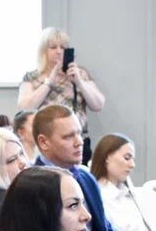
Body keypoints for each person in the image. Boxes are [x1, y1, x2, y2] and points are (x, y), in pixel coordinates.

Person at [17, 27, 105, 161]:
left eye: (63, 47)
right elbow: (25, 107)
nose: (59, 51)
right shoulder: (33, 77)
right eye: (53, 47)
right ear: (43, 51)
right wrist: (49, 83)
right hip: (47, 143)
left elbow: (98, 104)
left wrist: (80, 83)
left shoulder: (80, 74)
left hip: (77, 141)